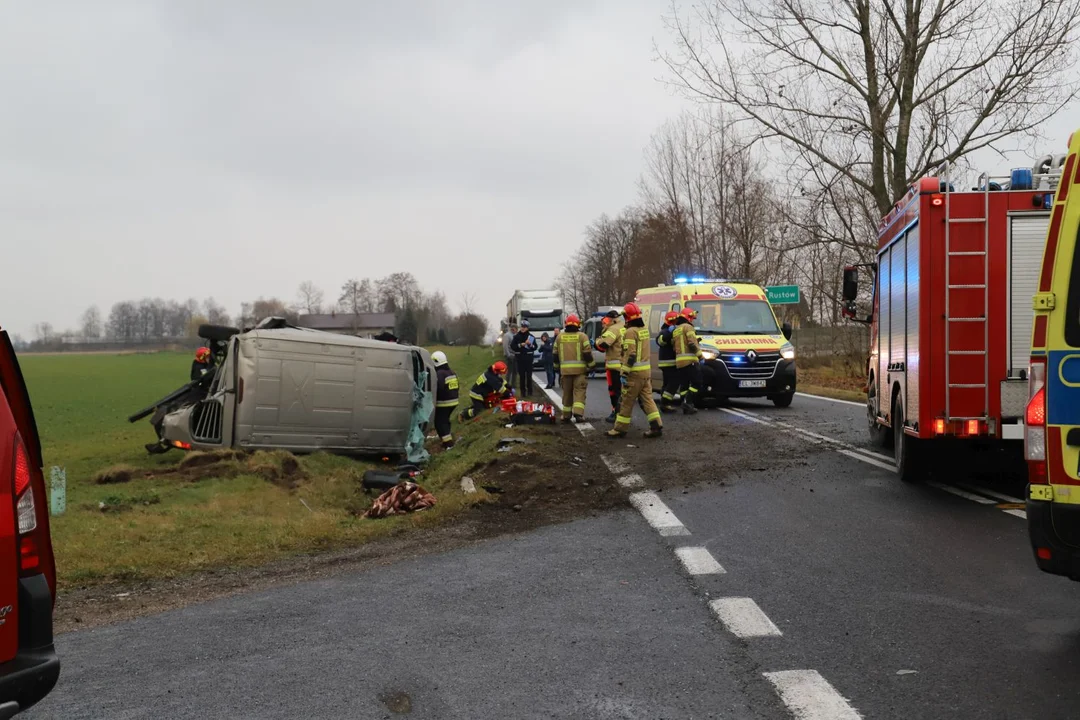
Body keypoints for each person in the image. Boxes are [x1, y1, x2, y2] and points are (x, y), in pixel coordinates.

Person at [607, 303, 663, 439]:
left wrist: (624, 372)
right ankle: (656, 425)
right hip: (645, 373)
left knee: (626, 401)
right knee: (648, 400)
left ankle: (620, 429)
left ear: (627, 317)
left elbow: (630, 354)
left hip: (633, 374)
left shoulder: (630, 332)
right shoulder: (644, 329)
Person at [553, 314, 595, 423]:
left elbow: (555, 354)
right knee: (579, 392)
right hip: (580, 372)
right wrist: (592, 365)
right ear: (578, 324)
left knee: (566, 394)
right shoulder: (582, 336)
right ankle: (578, 414)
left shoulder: (559, 337)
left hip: (565, 372)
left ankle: (566, 415)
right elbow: (587, 354)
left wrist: (557, 368)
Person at [594, 310, 626, 423]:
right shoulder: (623, 326)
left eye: (606, 320)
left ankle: (616, 413)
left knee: (614, 391)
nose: (605, 322)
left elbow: (603, 345)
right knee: (623, 391)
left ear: (611, 319)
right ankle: (621, 413)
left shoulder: (613, 329)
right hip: (624, 364)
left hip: (614, 365)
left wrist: (596, 342)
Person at [673, 307, 702, 414]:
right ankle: (688, 402)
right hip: (690, 361)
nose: (692, 320)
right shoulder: (688, 327)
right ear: (688, 317)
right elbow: (691, 343)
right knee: (697, 383)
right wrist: (700, 356)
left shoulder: (677, 329)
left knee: (684, 385)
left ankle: (685, 404)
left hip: (680, 362)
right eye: (692, 318)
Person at [431, 351, 459, 449]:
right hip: (454, 401)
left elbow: (438, 388)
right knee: (445, 420)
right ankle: (446, 439)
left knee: (440, 422)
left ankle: (448, 443)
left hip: (444, 402)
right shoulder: (451, 372)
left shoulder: (439, 374)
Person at [657, 311, 679, 412]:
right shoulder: (665, 331)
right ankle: (665, 403)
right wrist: (669, 333)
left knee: (667, 383)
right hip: (668, 362)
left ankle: (664, 402)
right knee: (673, 382)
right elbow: (660, 341)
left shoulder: (670, 330)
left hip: (668, 362)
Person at [510, 320, 537, 397]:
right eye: (522, 327)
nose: (523, 328)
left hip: (529, 359)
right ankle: (523, 392)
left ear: (527, 328)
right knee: (522, 376)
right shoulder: (516, 337)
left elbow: (535, 347)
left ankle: (530, 391)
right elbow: (512, 346)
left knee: (529, 376)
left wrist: (530, 345)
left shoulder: (531, 337)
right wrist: (520, 345)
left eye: (524, 327)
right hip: (520, 359)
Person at [502, 323, 519, 390]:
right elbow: (505, 346)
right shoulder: (507, 335)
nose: (516, 330)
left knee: (515, 371)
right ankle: (507, 384)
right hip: (509, 355)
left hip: (515, 355)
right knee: (509, 371)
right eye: (516, 329)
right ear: (513, 328)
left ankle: (513, 384)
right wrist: (508, 355)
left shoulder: (515, 335)